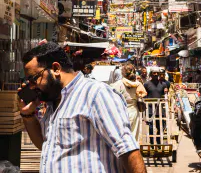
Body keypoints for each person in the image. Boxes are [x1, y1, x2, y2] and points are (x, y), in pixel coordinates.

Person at [19, 42, 146, 173]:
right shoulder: (53, 102)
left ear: (56, 68)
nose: (32, 86)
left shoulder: (96, 94)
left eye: (34, 79)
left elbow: (127, 150)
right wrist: (28, 115)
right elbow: (45, 146)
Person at [111, 64, 147, 141]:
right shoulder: (138, 84)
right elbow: (141, 95)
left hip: (121, 112)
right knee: (134, 136)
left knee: (122, 136)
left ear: (123, 73)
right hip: (134, 111)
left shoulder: (118, 84)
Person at [144, 69, 168, 146]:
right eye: (154, 73)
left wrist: (166, 91)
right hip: (150, 108)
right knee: (151, 127)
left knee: (161, 126)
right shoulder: (147, 84)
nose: (155, 74)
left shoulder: (163, 84)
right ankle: (151, 143)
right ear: (151, 74)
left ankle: (158, 142)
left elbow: (166, 93)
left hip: (160, 109)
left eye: (157, 73)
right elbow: (144, 95)